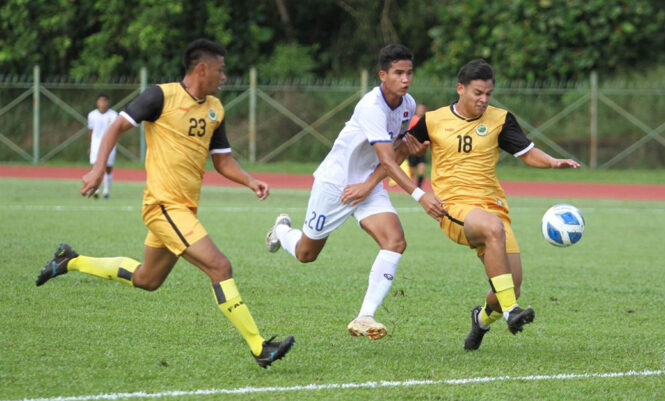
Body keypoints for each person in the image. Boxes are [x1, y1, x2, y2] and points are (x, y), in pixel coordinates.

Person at [36, 39, 294, 368]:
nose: (224, 77)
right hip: (162, 206)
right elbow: (116, 127)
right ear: (202, 69)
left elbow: (223, 162)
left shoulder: (215, 108)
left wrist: (250, 180)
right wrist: (99, 168)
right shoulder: (160, 96)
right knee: (220, 267)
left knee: (147, 279)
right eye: (221, 69)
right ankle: (260, 347)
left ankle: (69, 261)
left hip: (182, 210)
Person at [362, 59, 581, 350]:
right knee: (495, 241)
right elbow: (393, 157)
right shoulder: (434, 120)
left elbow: (527, 153)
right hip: (453, 207)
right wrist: (370, 184)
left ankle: (481, 320)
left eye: (489, 94)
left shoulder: (500, 119)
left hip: (494, 209)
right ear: (460, 88)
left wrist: (553, 162)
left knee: (509, 285)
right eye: (478, 93)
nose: (483, 99)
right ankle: (511, 312)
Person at [265, 44, 445, 340]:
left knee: (395, 241)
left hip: (369, 185)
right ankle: (282, 231)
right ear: (382, 75)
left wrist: (379, 175)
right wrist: (420, 195)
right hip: (336, 185)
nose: (406, 79)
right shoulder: (371, 107)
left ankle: (365, 315)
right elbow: (388, 159)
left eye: (409, 72)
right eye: (399, 73)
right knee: (306, 254)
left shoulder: (408, 105)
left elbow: (394, 154)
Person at [87, 93, 118, 199]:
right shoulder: (92, 115)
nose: (102, 103)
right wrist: (90, 146)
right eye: (100, 101)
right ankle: (96, 189)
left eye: (104, 101)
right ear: (97, 102)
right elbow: (91, 131)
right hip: (96, 144)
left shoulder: (113, 115)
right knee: (94, 166)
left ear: (107, 102)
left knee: (108, 167)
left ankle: (106, 191)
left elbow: (116, 131)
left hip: (109, 144)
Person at [407, 103, 427, 188]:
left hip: (422, 149)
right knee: (412, 172)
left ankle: (419, 188)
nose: (421, 110)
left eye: (423, 109)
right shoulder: (412, 119)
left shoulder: (426, 120)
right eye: (420, 109)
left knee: (422, 170)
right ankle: (410, 187)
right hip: (412, 149)